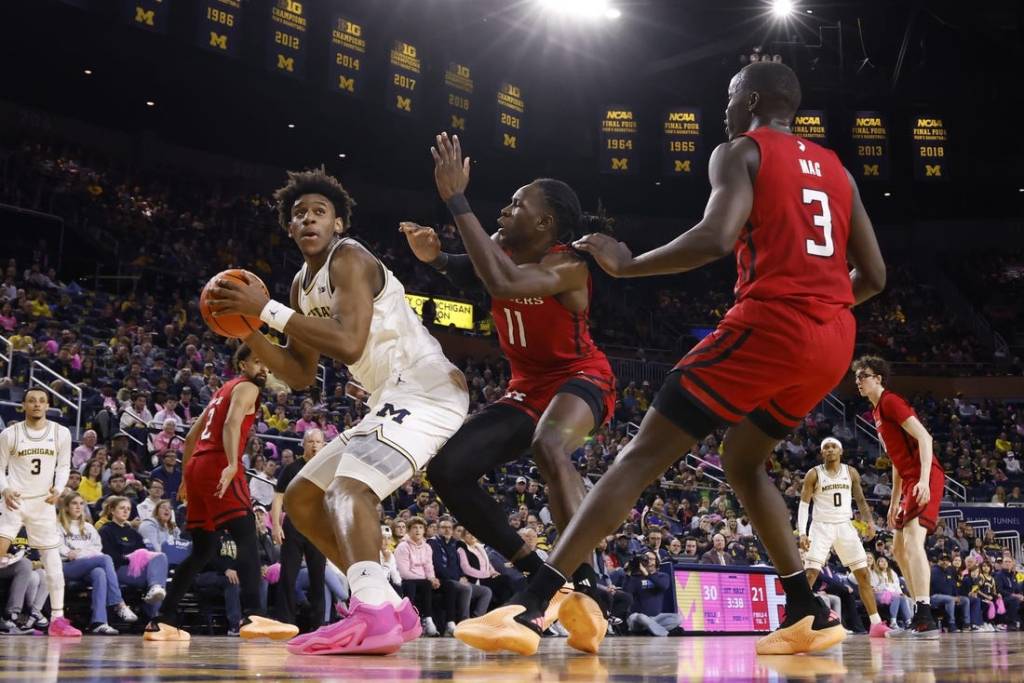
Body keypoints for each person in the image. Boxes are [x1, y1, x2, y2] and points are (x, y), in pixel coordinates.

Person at [454, 60, 886, 657]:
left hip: (771, 325)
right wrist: (823, 308)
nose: (725, 108)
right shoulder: (838, 169)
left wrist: (628, 264)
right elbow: (876, 275)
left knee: (638, 458)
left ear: (754, 100)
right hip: (834, 337)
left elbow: (714, 238)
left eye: (730, 96)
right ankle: (809, 610)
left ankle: (532, 606)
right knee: (743, 458)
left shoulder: (741, 150)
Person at [207, 168, 469, 655]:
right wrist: (248, 330)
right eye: (299, 214)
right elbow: (302, 374)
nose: (308, 219)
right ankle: (392, 607)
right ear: (290, 228)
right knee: (306, 497)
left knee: (349, 490)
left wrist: (264, 311)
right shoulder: (300, 288)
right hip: (389, 397)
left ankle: (371, 612)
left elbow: (348, 345)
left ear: (339, 225)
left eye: (319, 212)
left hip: (426, 385)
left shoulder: (349, 259)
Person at [401, 136, 617, 627]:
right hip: (527, 386)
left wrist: (457, 200)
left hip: (582, 378)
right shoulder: (500, 246)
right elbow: (469, 272)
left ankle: (583, 581)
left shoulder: (568, 265)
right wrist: (435, 259)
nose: (505, 208)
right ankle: (532, 568)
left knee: (550, 446)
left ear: (544, 223)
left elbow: (504, 284)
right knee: (448, 470)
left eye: (518, 204)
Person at [142, 345, 297, 642]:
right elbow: (231, 423)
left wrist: (187, 480)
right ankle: (253, 616)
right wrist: (229, 464)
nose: (263, 368)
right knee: (247, 536)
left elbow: (189, 438)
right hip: (218, 463)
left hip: (198, 467)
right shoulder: (248, 387)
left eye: (266, 363)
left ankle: (163, 621)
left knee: (202, 550)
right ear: (242, 365)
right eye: (256, 362)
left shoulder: (221, 391)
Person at [854, 355, 943, 639]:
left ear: (879, 378)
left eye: (864, 375)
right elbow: (895, 461)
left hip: (924, 475)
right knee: (899, 549)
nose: (859, 381)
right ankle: (920, 611)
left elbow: (925, 438)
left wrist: (925, 480)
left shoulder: (891, 402)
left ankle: (925, 615)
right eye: (856, 377)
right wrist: (894, 502)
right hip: (908, 480)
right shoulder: (877, 413)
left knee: (914, 541)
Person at [0, 387, 81, 636]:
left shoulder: (61, 433)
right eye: (32, 401)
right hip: (14, 501)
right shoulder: (9, 434)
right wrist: (4, 490)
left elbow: (64, 465)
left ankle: (58, 619)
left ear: (48, 406)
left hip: (43, 504)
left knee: (53, 563)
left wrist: (58, 489)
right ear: (22, 405)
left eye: (42, 401)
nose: (37, 405)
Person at [798, 437, 890, 637]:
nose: (830, 450)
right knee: (810, 574)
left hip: (845, 526)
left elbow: (861, 500)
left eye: (833, 447)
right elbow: (804, 505)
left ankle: (875, 624)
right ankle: (796, 620)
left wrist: (869, 522)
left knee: (863, 574)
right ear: (822, 453)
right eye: (826, 448)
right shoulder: (814, 474)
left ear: (840, 451)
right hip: (821, 526)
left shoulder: (851, 472)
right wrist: (803, 532)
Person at [56, 492, 138, 634]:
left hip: (86, 564)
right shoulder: (58, 526)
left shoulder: (89, 527)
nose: (78, 507)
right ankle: (119, 603)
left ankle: (99, 622)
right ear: (67, 507)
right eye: (74, 503)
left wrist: (79, 552)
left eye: (81, 504)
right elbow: (60, 549)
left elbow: (97, 548)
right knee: (105, 559)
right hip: (66, 566)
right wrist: (79, 553)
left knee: (99, 573)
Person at [271, 428, 328, 631]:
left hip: (318, 528)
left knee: (318, 576)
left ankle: (317, 625)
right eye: (310, 441)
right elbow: (278, 497)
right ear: (303, 444)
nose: (314, 445)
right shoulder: (291, 468)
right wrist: (276, 525)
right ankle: (285, 623)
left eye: (318, 442)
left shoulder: (328, 468)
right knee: (288, 575)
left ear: (323, 445)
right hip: (293, 526)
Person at [395, 517, 440, 637]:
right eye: (414, 527)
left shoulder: (427, 547)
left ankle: (433, 621)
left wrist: (432, 578)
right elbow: (404, 572)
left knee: (446, 585)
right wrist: (425, 579)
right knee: (418, 585)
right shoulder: (403, 546)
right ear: (409, 531)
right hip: (405, 580)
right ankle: (420, 621)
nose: (418, 530)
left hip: (423, 580)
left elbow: (428, 566)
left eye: (420, 528)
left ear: (424, 530)